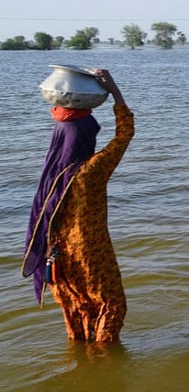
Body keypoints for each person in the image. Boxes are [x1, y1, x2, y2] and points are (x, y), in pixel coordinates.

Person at [21, 69, 134, 343]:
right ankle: (105, 366)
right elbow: (125, 134)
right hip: (90, 253)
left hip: (56, 254)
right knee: (111, 305)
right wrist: (115, 91)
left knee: (77, 309)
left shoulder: (52, 175)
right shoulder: (91, 170)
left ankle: (81, 367)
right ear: (86, 139)